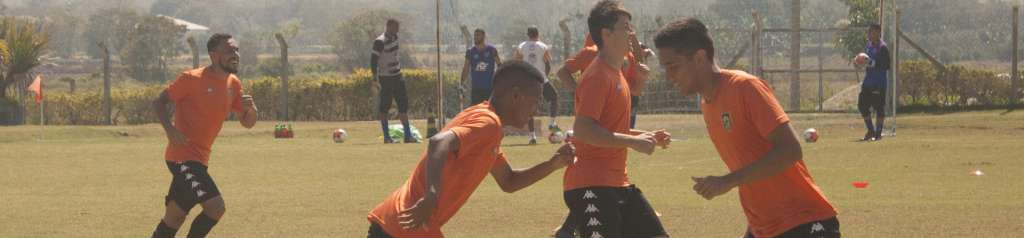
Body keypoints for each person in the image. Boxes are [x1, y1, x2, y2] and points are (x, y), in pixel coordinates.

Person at [653, 17, 840, 238]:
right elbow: (751, 167)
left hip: (803, 222)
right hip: (764, 228)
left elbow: (791, 150)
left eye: (673, 67)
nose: (668, 77)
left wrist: (728, 180)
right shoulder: (707, 104)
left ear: (700, 58)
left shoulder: (745, 88)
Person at [367, 61, 575, 238]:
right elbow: (438, 142)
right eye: (536, 100)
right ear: (516, 95)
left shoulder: (488, 126)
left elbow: (509, 181)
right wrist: (431, 196)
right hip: (407, 225)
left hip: (402, 223)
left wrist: (553, 164)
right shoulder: (488, 123)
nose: (536, 109)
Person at [561, 1, 672, 238]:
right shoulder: (597, 76)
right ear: (606, 33)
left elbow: (611, 130)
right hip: (591, 185)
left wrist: (645, 137)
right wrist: (634, 142)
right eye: (625, 27)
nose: (631, 33)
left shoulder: (616, 74)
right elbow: (583, 130)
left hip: (617, 182)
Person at [150, 33, 258, 238]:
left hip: (200, 159)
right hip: (182, 158)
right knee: (216, 207)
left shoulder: (233, 83)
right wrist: (170, 130)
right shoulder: (191, 78)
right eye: (229, 51)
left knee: (174, 217)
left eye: (236, 50)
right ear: (214, 55)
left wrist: (251, 109)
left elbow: (247, 122)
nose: (235, 54)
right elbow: (159, 102)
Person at [556, 32, 649, 129]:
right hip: (595, 111)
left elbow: (635, 91)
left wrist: (642, 79)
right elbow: (562, 72)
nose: (631, 35)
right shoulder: (591, 53)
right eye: (626, 29)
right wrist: (578, 91)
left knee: (619, 138)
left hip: (619, 110)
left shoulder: (628, 56)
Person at [372, 19, 415, 143]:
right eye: (396, 27)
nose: (398, 30)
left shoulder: (395, 37)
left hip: (398, 76)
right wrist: (375, 78)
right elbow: (373, 60)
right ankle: (387, 137)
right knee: (385, 106)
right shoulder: (380, 41)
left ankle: (408, 136)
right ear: (389, 27)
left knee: (403, 106)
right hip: (385, 78)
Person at [514, 25, 559, 144]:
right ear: (538, 34)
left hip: (527, 81)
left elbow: (517, 63)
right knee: (554, 97)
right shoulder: (543, 46)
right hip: (540, 79)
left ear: (528, 35)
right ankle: (552, 123)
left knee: (529, 108)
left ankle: (532, 136)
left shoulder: (521, 46)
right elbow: (548, 64)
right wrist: (546, 76)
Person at [855, 23, 891, 141]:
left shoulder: (883, 48)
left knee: (879, 108)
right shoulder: (869, 46)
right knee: (862, 105)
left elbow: (886, 65)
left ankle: (878, 133)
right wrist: (859, 62)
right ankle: (871, 130)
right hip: (868, 82)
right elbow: (865, 61)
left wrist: (871, 62)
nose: (869, 34)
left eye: (871, 32)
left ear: (877, 33)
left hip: (879, 83)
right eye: (868, 32)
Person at [461, 28, 502, 106]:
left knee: (489, 110)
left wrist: (499, 81)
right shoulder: (470, 52)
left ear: (483, 36)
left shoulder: (492, 50)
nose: (475, 37)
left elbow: (500, 65)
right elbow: (465, 68)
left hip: (489, 88)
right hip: (476, 89)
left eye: (478, 35)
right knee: (476, 111)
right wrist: (462, 83)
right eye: (475, 35)